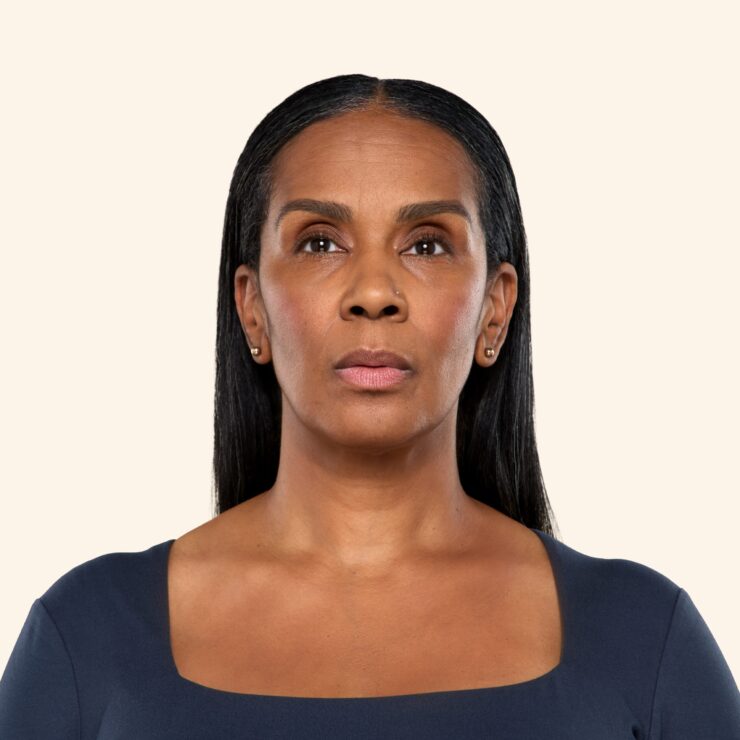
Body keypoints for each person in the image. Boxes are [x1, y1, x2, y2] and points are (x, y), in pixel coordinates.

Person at [1, 73, 738, 739]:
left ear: (495, 310)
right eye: (320, 243)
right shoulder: (88, 636)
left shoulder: (643, 638)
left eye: (427, 245)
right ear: (252, 309)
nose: (375, 292)